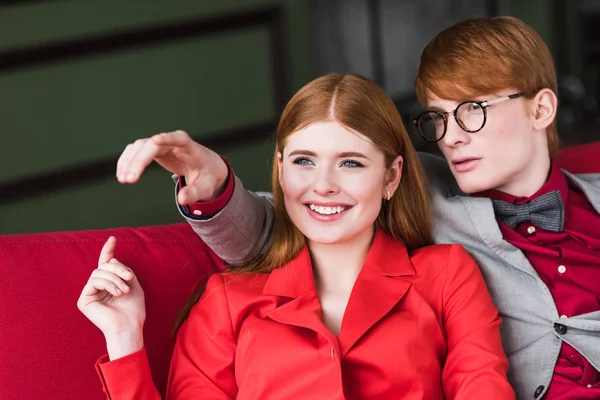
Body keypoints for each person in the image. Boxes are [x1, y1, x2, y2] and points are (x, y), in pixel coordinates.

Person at [114, 16, 600, 400]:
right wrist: (210, 181)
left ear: (541, 109)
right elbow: (274, 225)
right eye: (438, 117)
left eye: (473, 110)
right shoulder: (425, 188)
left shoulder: (445, 271)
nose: (450, 136)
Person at [79, 73, 514, 399]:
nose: (323, 185)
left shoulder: (446, 276)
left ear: (391, 176)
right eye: (304, 161)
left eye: (351, 163)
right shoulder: (227, 302)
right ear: (281, 168)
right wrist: (124, 338)